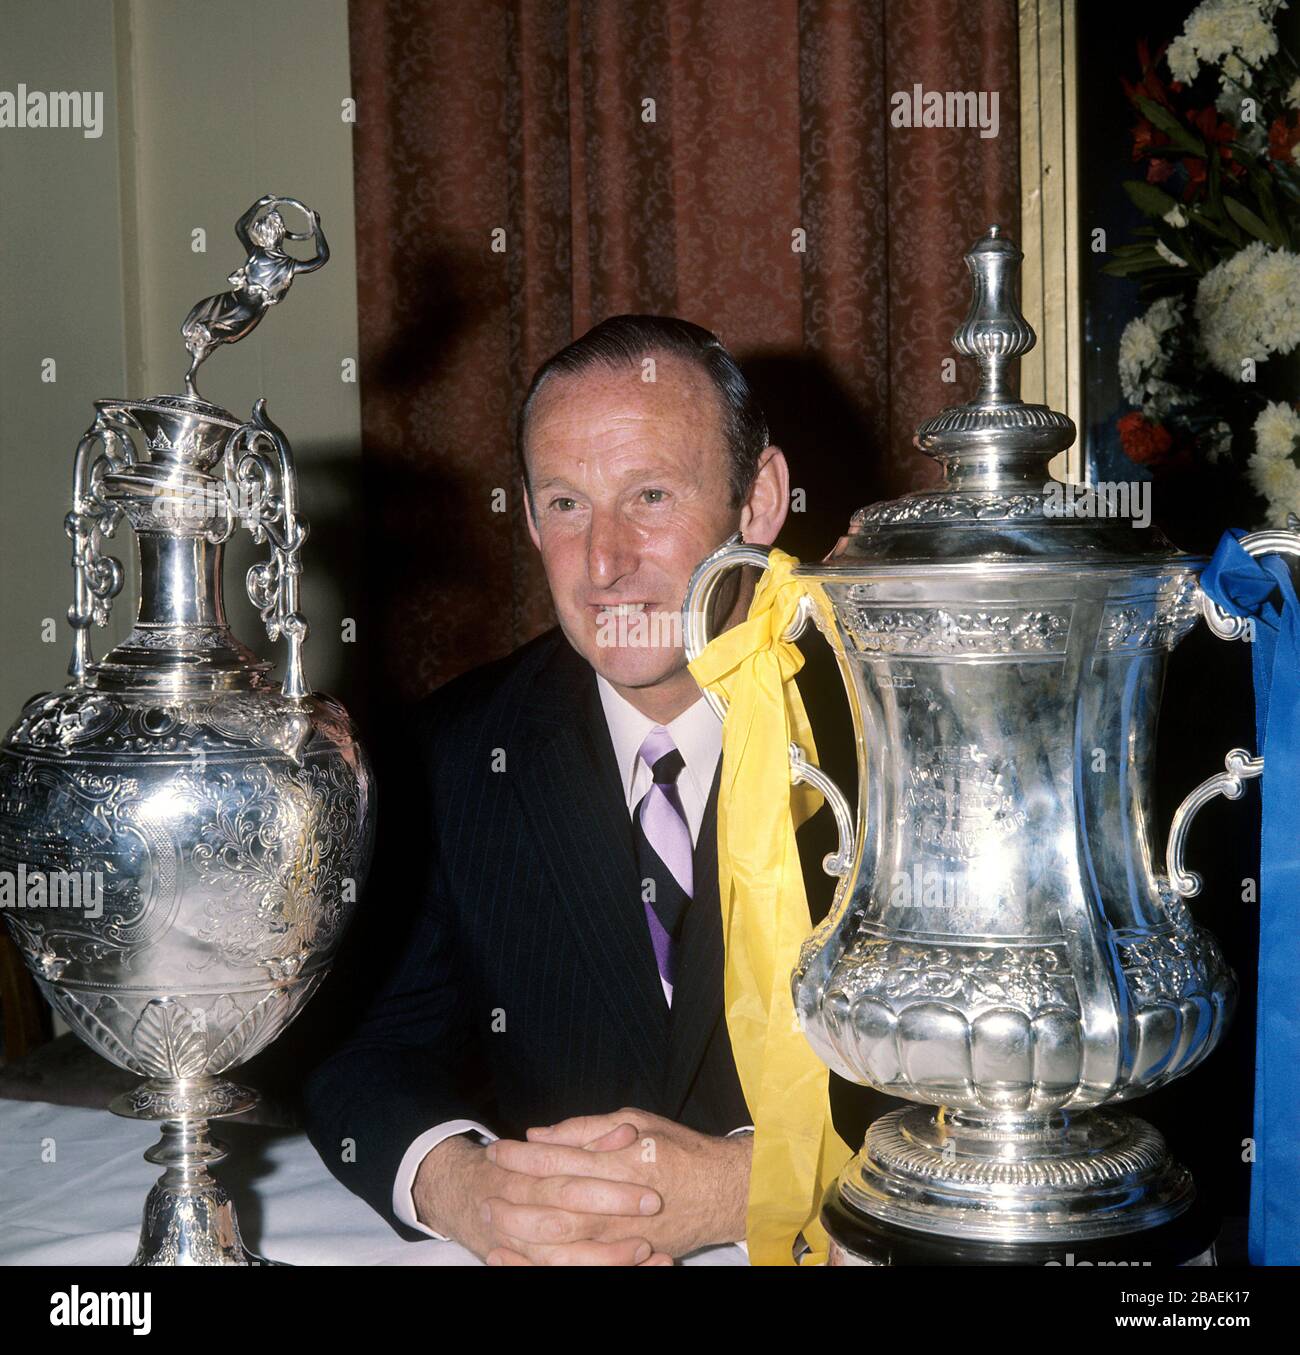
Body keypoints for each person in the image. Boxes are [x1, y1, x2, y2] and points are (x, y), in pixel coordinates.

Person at [304, 315, 791, 1264]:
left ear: (759, 499)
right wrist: (459, 1183)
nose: (605, 562)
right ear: (528, 517)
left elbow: (1016, 1084)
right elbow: (361, 1054)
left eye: (650, 494)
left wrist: (751, 1185)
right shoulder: (452, 756)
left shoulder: (892, 727)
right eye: (567, 505)